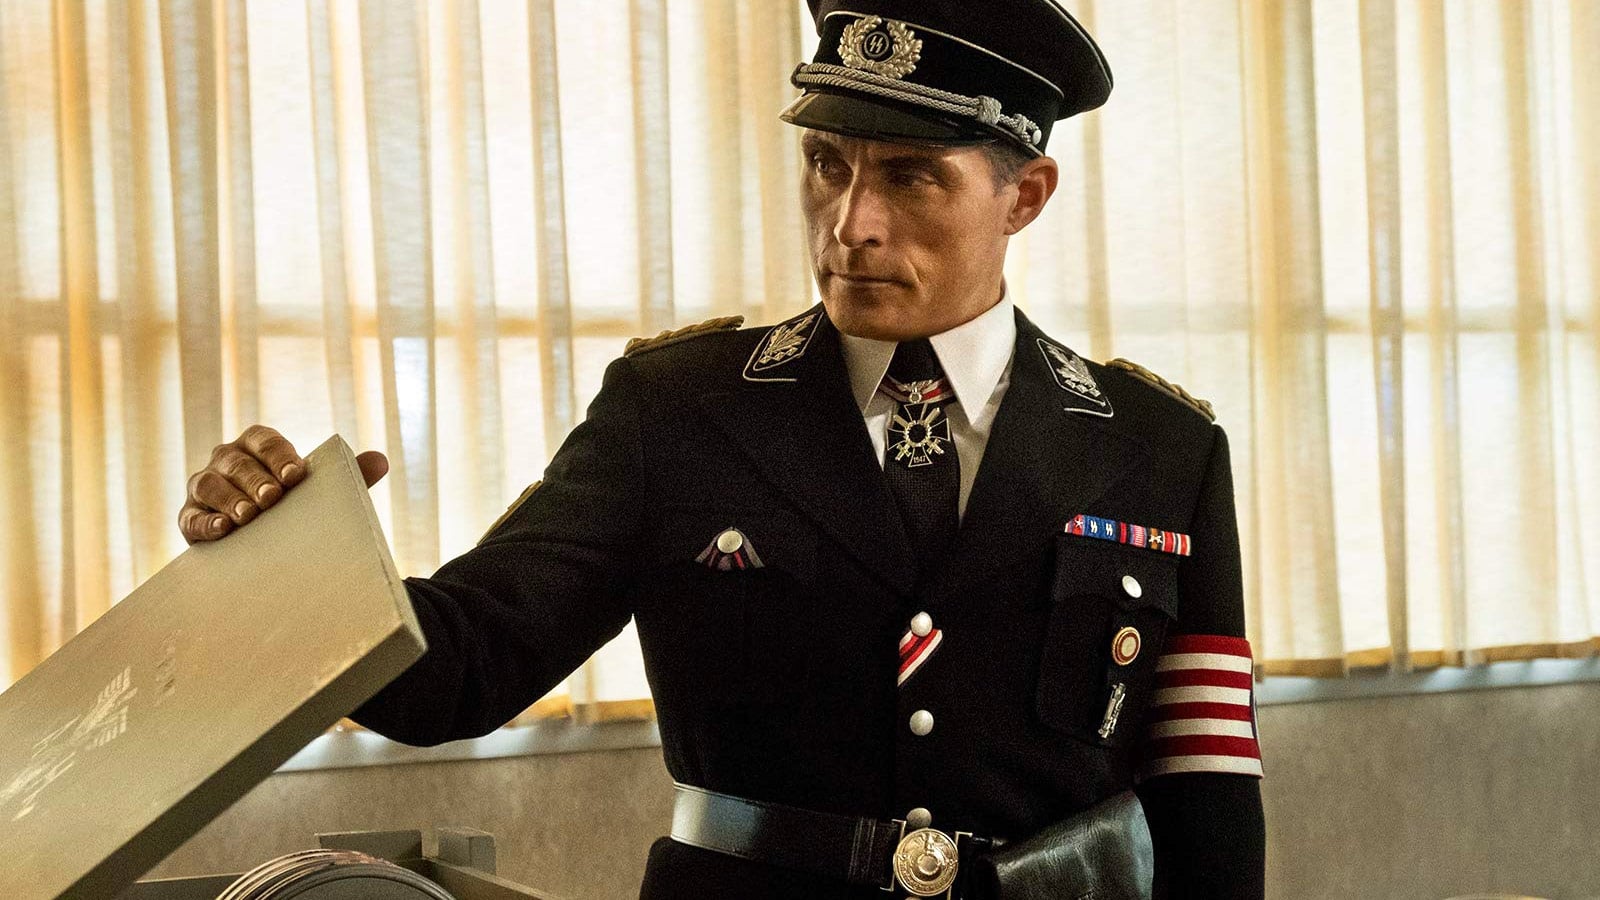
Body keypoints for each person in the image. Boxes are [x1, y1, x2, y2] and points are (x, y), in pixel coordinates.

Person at [178, 1, 1265, 897]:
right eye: (826, 164)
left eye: (909, 177)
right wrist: (294, 562)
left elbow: (1205, 795)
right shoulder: (678, 412)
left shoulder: (1158, 447)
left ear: (1023, 196)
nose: (850, 224)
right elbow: (461, 672)